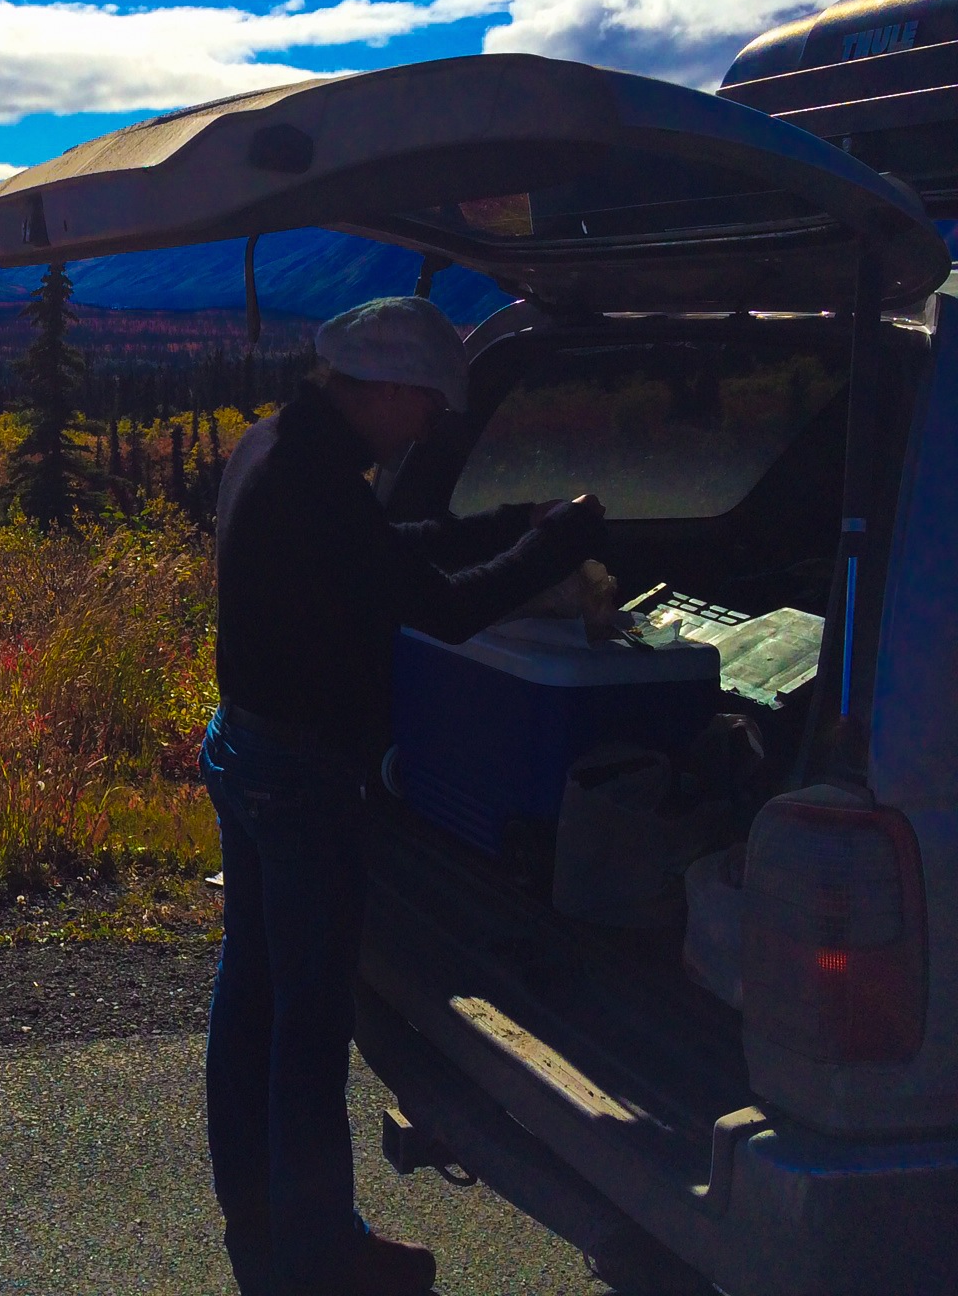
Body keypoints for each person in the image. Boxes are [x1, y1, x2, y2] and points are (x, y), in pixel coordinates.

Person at [203, 297, 609, 1296]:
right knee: (306, 1021)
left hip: (244, 750)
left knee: (252, 995)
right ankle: (321, 1256)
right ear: (381, 389)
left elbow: (384, 552)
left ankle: (257, 1219)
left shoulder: (278, 449)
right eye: (426, 406)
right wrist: (553, 549)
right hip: (298, 774)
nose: (430, 427)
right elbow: (439, 606)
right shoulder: (313, 483)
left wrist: (507, 522)